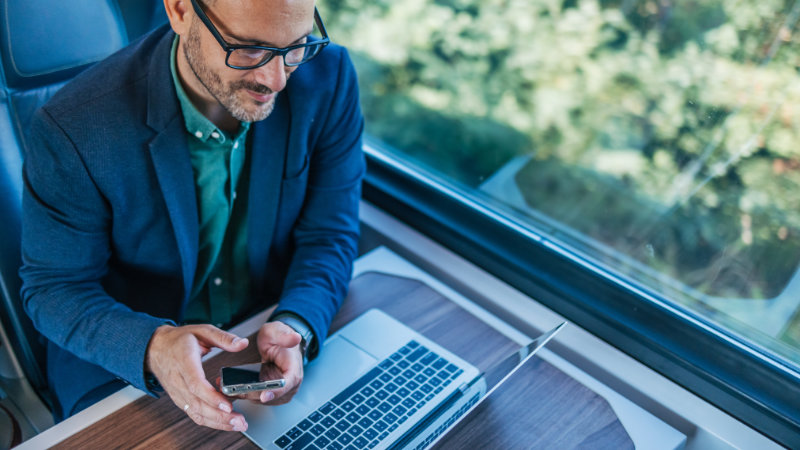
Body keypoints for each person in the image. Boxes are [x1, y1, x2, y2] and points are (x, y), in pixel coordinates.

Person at [19, 0, 364, 433]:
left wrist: (296, 323)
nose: (276, 80)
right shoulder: (74, 127)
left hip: (260, 330)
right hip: (127, 360)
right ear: (181, 10)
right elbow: (54, 290)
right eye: (250, 48)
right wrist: (152, 345)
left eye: (295, 47)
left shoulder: (328, 77)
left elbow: (329, 234)